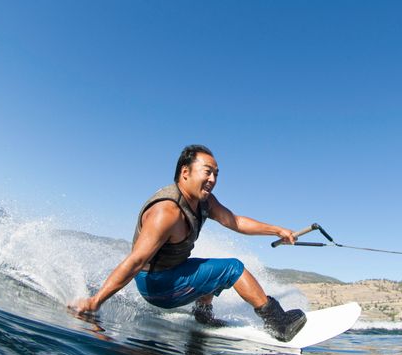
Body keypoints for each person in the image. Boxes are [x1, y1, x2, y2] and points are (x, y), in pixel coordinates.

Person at [70, 145, 307, 342]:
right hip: (157, 284)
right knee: (231, 268)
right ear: (185, 172)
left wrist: (277, 230)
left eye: (216, 174)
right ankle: (278, 324)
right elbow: (136, 261)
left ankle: (203, 313)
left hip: (171, 275)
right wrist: (95, 301)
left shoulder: (205, 201)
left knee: (208, 267)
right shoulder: (167, 212)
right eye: (207, 172)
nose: (213, 179)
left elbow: (234, 221)